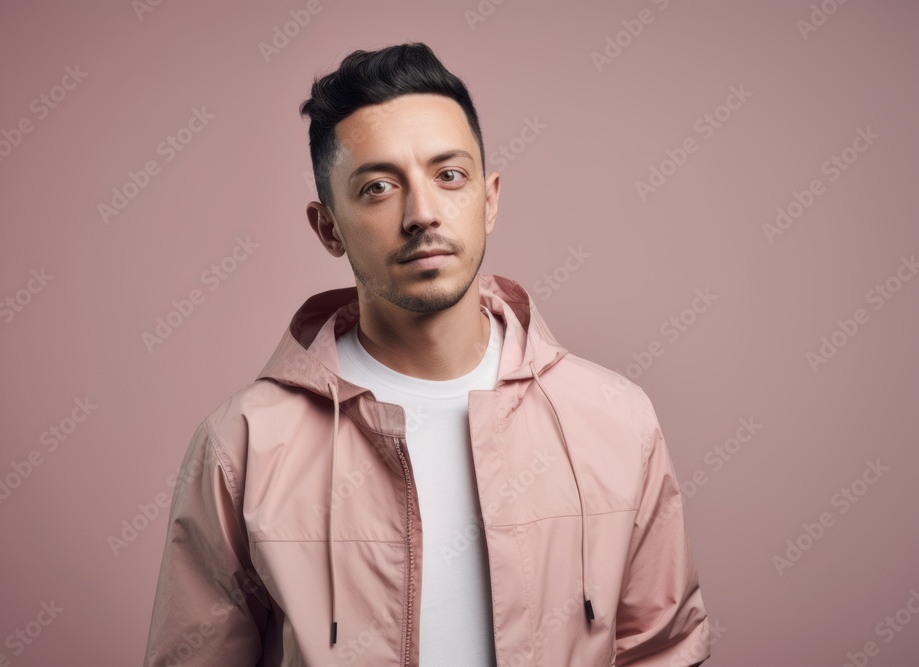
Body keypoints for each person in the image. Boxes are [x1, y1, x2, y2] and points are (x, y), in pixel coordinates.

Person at [143, 41, 711, 666]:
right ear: (328, 227)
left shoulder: (615, 420)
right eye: (379, 187)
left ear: (489, 199)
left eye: (449, 176)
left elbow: (662, 649)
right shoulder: (243, 443)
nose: (422, 213)